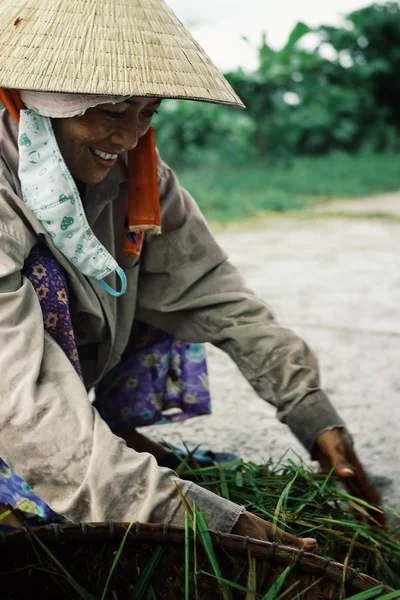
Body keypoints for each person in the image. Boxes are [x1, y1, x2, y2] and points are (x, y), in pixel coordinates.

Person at [0, 0, 383, 535]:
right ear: (51, 101)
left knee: (146, 264)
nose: (131, 138)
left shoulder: (139, 179)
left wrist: (312, 412)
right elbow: (23, 402)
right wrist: (206, 523)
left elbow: (214, 292)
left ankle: (103, 443)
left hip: (32, 403)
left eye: (147, 112)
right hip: (12, 398)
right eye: (112, 111)